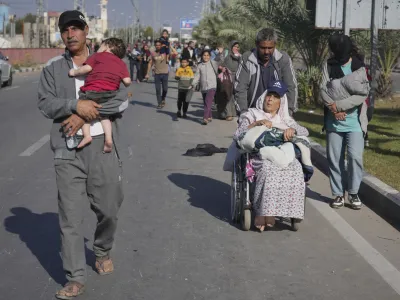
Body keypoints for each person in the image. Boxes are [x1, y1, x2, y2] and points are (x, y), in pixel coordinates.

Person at [37, 10, 128, 299]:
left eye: (76, 28)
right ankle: (75, 276)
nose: (70, 34)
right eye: (66, 30)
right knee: (70, 217)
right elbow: (46, 103)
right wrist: (75, 107)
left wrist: (89, 111)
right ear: (61, 34)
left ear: (86, 30)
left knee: (109, 208)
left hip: (102, 147)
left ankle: (102, 250)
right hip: (67, 149)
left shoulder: (109, 59)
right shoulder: (53, 67)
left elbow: (121, 99)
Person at [234, 81, 308, 232]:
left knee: (296, 168)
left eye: (275, 97)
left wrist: (292, 131)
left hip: (282, 154)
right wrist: (256, 124)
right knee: (269, 169)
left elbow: (304, 131)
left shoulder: (285, 120)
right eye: (269, 95)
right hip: (258, 156)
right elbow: (238, 134)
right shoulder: (252, 114)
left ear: (280, 103)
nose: (270, 100)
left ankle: (290, 211)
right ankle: (264, 213)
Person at [320, 34, 369, 210]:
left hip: (354, 121)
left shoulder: (358, 66)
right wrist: (333, 110)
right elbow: (323, 89)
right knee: (335, 159)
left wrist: (339, 105)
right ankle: (338, 194)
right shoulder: (329, 65)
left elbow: (362, 94)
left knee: (355, 157)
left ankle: (354, 192)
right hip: (333, 122)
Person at [68, 37, 131, 152]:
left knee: (84, 110)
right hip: (110, 94)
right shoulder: (121, 63)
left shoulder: (97, 56)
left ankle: (87, 136)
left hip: (92, 91)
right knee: (105, 116)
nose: (99, 47)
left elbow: (86, 69)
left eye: (101, 44)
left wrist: (74, 72)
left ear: (107, 46)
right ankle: (108, 138)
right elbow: (127, 81)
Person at [234, 28, 298, 116]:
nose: (266, 52)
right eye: (263, 48)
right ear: (256, 44)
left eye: (270, 48)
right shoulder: (247, 59)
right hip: (252, 113)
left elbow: (291, 87)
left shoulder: (283, 60)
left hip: (277, 115)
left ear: (275, 45)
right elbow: (240, 88)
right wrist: (243, 113)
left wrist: (288, 113)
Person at [191, 49, 219, 125]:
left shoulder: (214, 63)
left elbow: (221, 63)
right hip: (203, 87)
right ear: (202, 56)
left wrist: (220, 52)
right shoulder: (200, 66)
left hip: (212, 85)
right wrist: (193, 84)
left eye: (207, 55)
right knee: (206, 103)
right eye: (204, 55)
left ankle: (205, 118)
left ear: (210, 56)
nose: (206, 57)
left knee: (208, 101)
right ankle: (209, 116)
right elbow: (197, 76)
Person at [218, 41, 242, 121]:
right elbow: (219, 63)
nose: (236, 48)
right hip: (227, 77)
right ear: (231, 47)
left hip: (237, 78)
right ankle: (228, 114)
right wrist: (222, 68)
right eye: (234, 46)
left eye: (237, 47)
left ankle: (232, 113)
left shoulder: (240, 56)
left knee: (234, 95)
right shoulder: (226, 54)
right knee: (227, 95)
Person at [146, 39, 169, 109]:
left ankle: (163, 98)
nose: (158, 46)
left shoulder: (165, 52)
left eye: (159, 45)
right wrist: (147, 73)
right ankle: (159, 103)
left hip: (165, 73)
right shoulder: (153, 53)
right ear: (155, 46)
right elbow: (150, 63)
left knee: (165, 89)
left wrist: (169, 46)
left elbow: (175, 53)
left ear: (161, 45)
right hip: (157, 74)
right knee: (158, 89)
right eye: (156, 45)